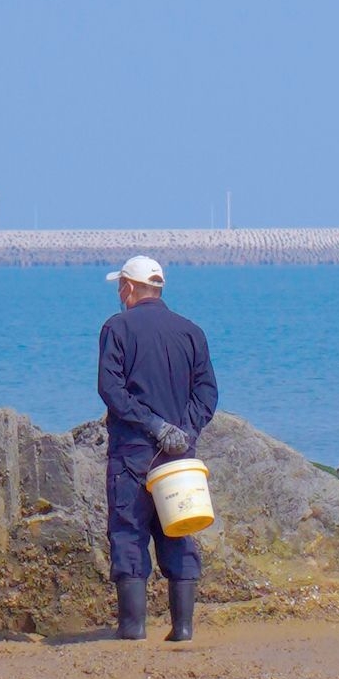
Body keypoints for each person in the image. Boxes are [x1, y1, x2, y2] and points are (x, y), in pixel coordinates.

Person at [97, 252, 218, 644]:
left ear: (128, 288)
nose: (120, 292)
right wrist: (184, 430)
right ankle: (182, 628)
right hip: (179, 456)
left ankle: (133, 627)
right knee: (178, 530)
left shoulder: (117, 328)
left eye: (120, 286)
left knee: (129, 533)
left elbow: (110, 389)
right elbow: (207, 393)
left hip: (132, 453)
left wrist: (153, 426)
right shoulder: (191, 332)